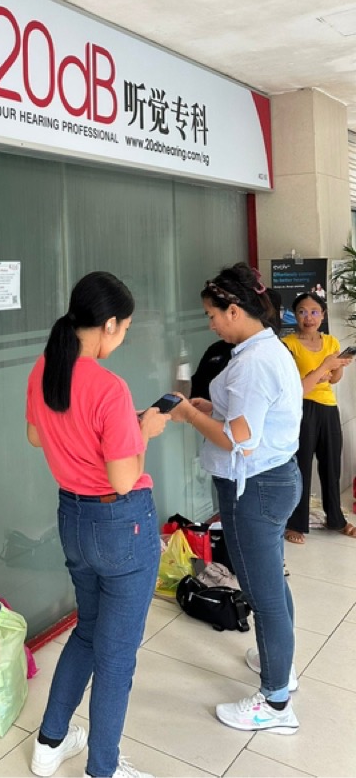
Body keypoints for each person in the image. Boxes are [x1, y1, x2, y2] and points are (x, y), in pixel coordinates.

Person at [26, 272, 169, 778]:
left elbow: (37, 435)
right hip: (121, 525)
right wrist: (143, 430)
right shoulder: (109, 387)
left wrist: (119, 427)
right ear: (109, 324)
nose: (123, 337)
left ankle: (49, 745)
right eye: (124, 328)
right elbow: (125, 478)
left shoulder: (45, 368)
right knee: (116, 657)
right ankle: (102, 769)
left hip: (74, 520)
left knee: (87, 632)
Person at [169, 263, 303, 734]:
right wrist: (212, 407)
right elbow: (246, 417)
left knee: (263, 596)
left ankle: (276, 703)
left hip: (256, 487)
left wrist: (190, 415)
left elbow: (237, 440)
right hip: (272, 479)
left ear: (233, 310)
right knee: (271, 584)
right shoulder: (264, 348)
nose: (210, 324)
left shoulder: (252, 363)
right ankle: (280, 664)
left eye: (212, 315)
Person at [282, 291, 356, 543]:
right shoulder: (287, 344)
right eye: (302, 312)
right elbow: (291, 384)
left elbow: (334, 379)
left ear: (323, 315)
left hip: (328, 408)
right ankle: (295, 523)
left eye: (314, 312)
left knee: (331, 465)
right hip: (302, 407)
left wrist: (337, 367)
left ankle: (336, 519)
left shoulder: (331, 342)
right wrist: (318, 372)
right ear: (294, 315)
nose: (308, 317)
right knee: (301, 466)